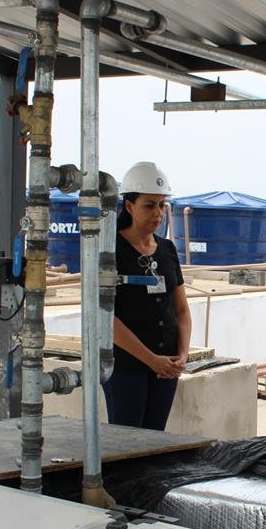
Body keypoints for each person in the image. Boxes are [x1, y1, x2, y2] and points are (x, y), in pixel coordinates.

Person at [103, 161, 192, 430]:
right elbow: (104, 317)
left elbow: (181, 310)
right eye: (149, 205)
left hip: (167, 366)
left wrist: (183, 354)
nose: (158, 213)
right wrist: (150, 359)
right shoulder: (109, 250)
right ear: (129, 206)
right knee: (127, 443)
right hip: (126, 367)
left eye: (162, 205)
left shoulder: (166, 250)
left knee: (155, 439)